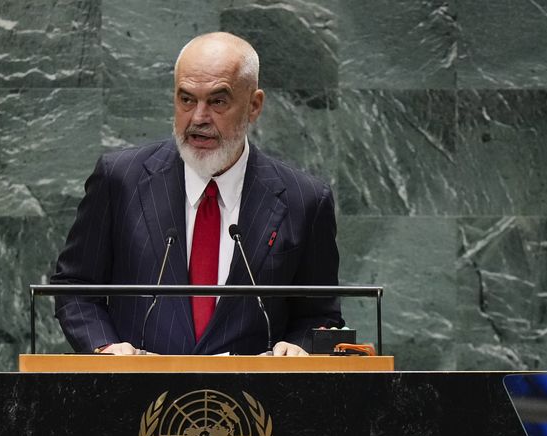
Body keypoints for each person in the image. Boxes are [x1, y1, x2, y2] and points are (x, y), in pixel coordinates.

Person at [51, 32, 342, 356]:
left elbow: (319, 316)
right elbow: (76, 288)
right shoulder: (120, 180)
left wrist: (298, 347)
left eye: (218, 101)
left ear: (254, 105)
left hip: (252, 401)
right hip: (135, 395)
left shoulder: (304, 200)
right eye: (187, 99)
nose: (199, 118)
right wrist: (105, 348)